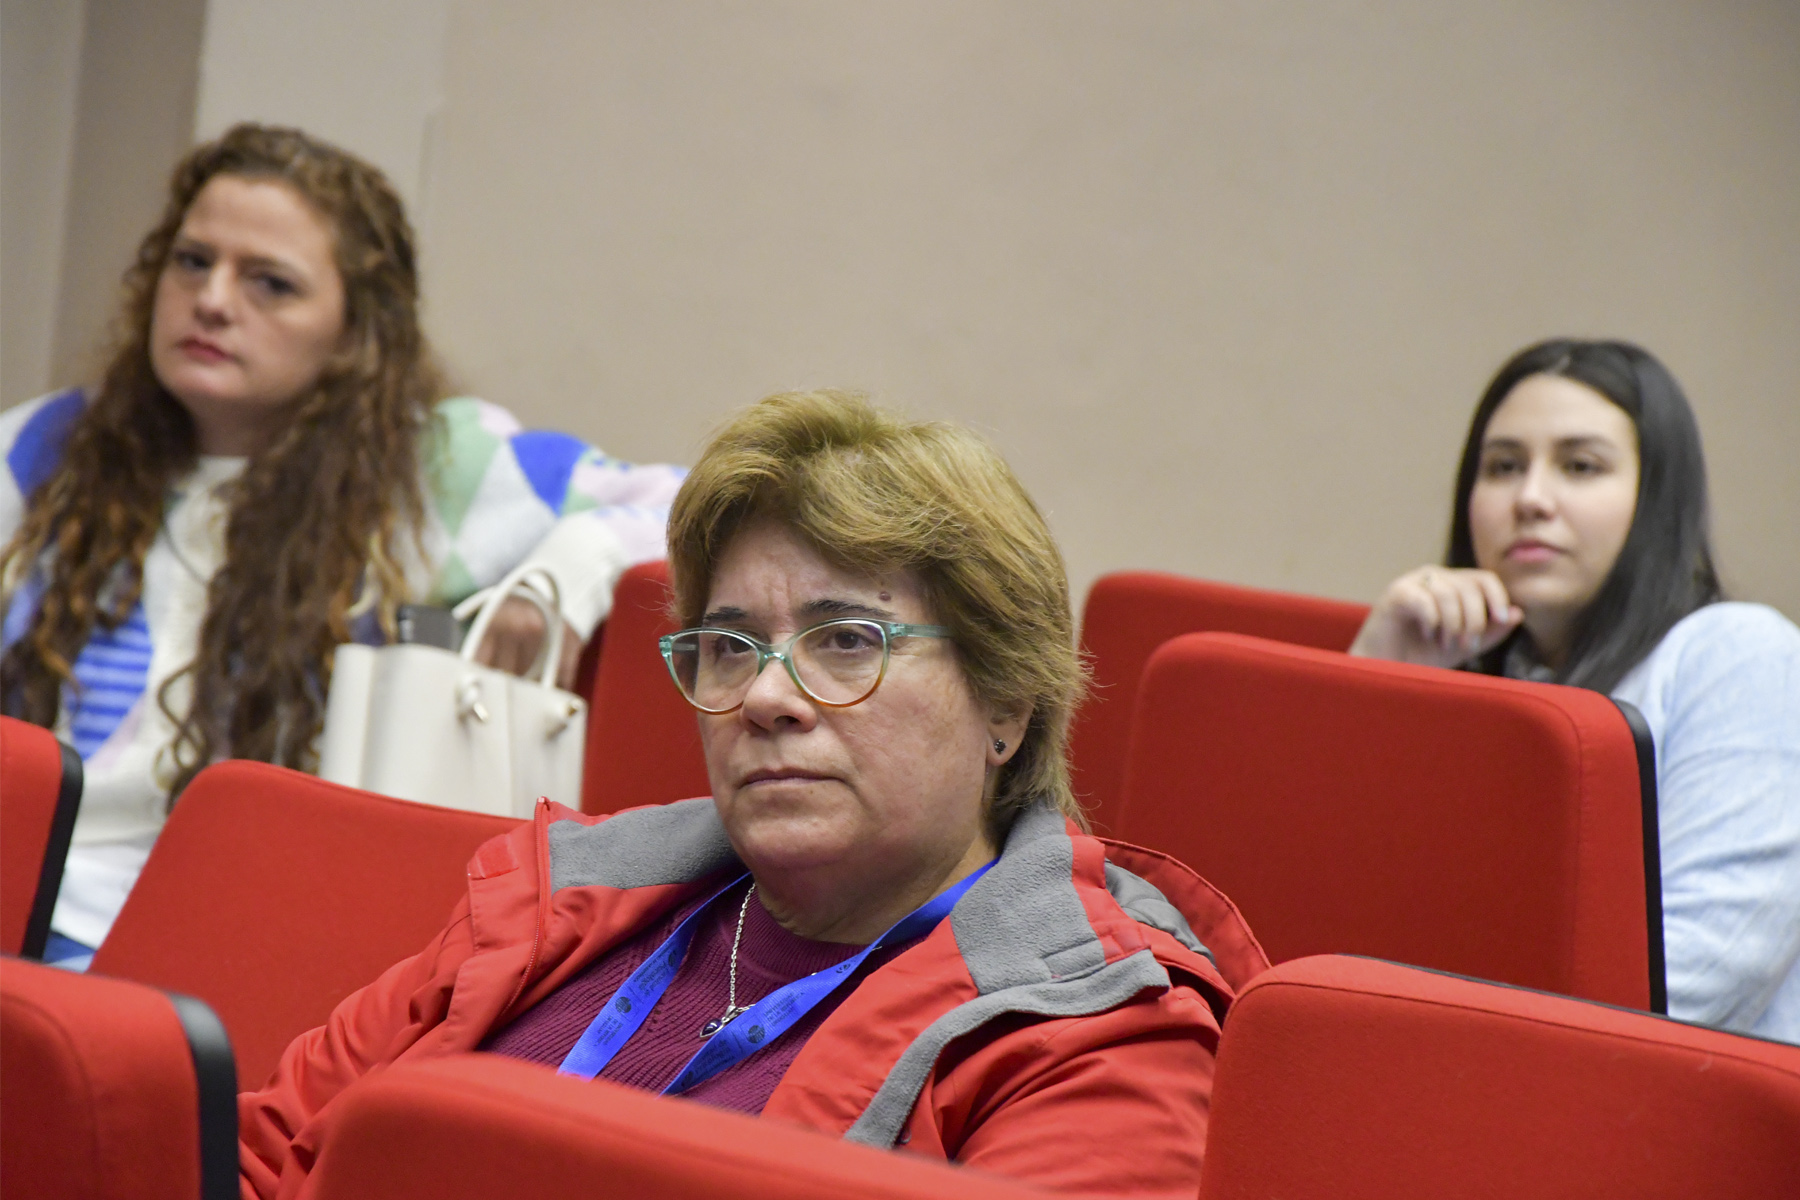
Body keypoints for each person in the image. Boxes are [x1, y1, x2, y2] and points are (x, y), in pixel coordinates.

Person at [238, 390, 1264, 1198]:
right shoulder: (555, 900)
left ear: (1006, 705)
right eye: (730, 646)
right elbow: (261, 1156)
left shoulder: (1099, 1032)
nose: (767, 696)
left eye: (846, 640)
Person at [0, 124, 684, 969]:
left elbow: (690, 501)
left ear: (356, 330)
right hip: (21, 889)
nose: (212, 299)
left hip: (222, 936)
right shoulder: (48, 448)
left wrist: (565, 577)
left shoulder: (428, 471)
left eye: (270, 282)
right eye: (192, 261)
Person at [1350, 338, 1800, 1043]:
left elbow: (1694, 980)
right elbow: (1318, 907)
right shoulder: (1483, 674)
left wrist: (1432, 1027)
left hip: (1645, 1093)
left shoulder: (1739, 654)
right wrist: (1381, 677)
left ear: (1655, 498)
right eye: (1503, 467)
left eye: (1580, 466)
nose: (1531, 498)